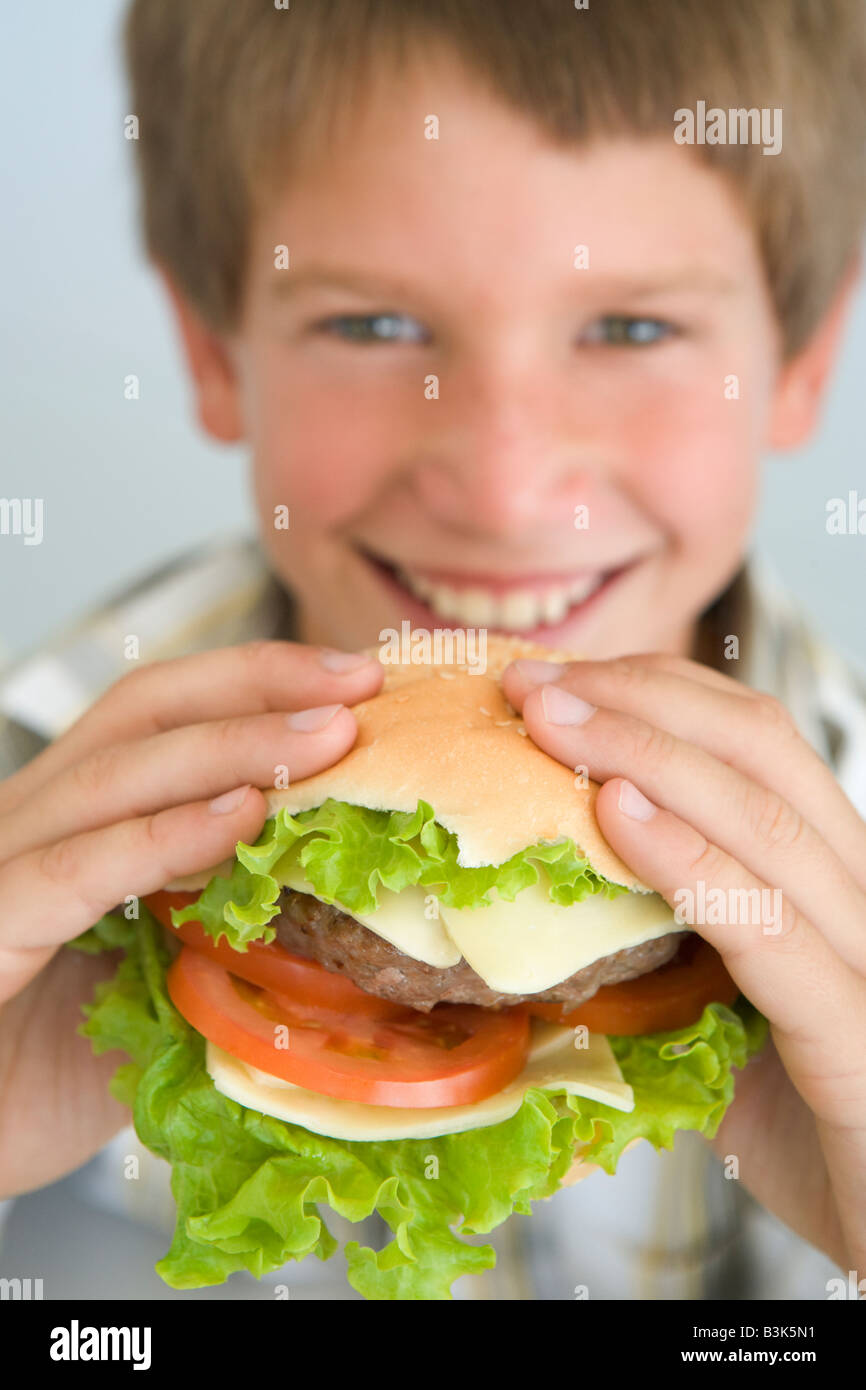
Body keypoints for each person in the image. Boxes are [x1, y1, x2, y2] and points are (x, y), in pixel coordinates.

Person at [1, 0, 865, 1300]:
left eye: (630, 329)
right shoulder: (29, 783)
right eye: (372, 326)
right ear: (212, 347)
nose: (505, 487)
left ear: (800, 357)